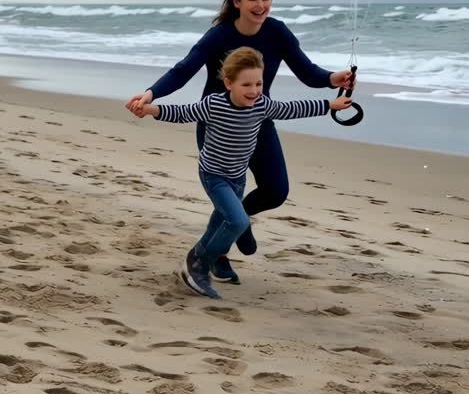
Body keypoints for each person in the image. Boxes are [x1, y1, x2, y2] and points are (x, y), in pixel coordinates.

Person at [125, 0, 352, 283]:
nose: (261, 5)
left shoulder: (278, 32)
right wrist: (151, 94)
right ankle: (217, 251)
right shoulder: (219, 35)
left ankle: (237, 223)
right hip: (216, 121)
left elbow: (307, 71)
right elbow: (184, 69)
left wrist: (332, 79)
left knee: (276, 191)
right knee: (228, 188)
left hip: (258, 119)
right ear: (236, 2)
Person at [138, 46, 352, 298]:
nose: (254, 90)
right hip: (214, 174)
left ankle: (203, 261)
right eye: (246, 84)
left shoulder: (261, 105)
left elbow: (292, 109)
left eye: (259, 83)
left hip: (237, 176)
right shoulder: (214, 104)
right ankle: (198, 262)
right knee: (238, 221)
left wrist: (331, 104)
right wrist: (151, 109)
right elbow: (183, 113)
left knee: (219, 223)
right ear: (229, 83)